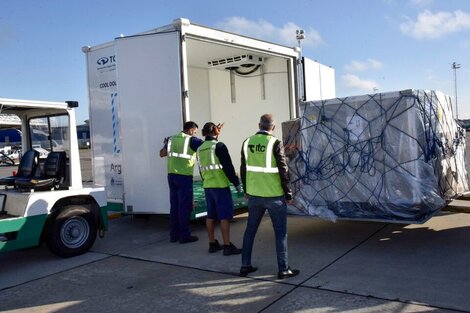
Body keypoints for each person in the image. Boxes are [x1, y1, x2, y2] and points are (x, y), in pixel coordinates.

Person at [239, 114, 299, 279]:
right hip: (274, 196)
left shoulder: (247, 142)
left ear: (259, 124)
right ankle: (283, 268)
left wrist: (246, 189)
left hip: (254, 196)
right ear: (273, 127)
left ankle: (245, 265)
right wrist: (288, 194)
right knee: (280, 233)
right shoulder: (275, 143)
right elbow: (283, 170)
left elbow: (243, 169)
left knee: (250, 231)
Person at [197, 122, 242, 256]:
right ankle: (227, 246)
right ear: (216, 131)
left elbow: (201, 169)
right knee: (224, 217)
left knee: (210, 216)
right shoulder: (219, 146)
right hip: (220, 186)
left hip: (208, 186)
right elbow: (228, 167)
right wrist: (236, 183)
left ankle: (212, 244)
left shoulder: (200, 148)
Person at [160, 121, 203, 244]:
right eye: (195, 131)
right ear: (190, 130)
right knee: (184, 207)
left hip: (171, 176)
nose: (195, 134)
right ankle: (184, 236)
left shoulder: (171, 139)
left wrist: (166, 145)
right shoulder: (192, 141)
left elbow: (161, 154)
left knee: (174, 207)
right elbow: (208, 146)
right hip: (184, 177)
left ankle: (174, 236)